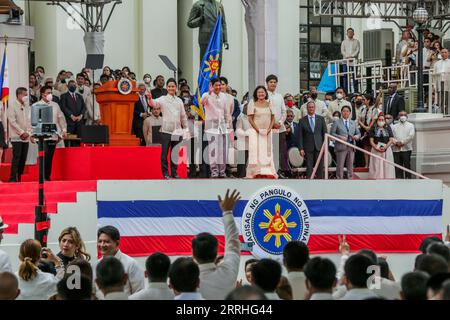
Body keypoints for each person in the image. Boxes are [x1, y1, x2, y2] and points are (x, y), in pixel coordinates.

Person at [192, 189, 241, 300]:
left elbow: (233, 244)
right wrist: (227, 212)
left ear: (193, 255)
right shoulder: (228, 272)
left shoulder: (187, 279)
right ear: (216, 253)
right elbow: (233, 243)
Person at [148, 78, 189, 179]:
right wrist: (149, 99)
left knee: (175, 154)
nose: (171, 88)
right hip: (166, 130)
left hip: (177, 131)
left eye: (173, 86)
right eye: (169, 86)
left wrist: (186, 129)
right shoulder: (162, 99)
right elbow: (153, 104)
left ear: (176, 88)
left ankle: (174, 173)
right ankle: (165, 173)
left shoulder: (179, 100)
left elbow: (183, 116)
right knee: (164, 154)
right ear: (167, 88)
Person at [96, 226, 145, 297]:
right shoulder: (95, 265)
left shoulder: (131, 264)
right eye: (100, 241)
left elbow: (139, 293)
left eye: (106, 241)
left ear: (117, 243)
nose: (102, 245)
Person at [34, 86, 67, 181]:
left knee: (49, 157)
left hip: (53, 135)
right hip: (41, 136)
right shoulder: (36, 105)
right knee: (44, 155)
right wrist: (31, 134)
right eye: (48, 92)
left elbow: (61, 118)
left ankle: (47, 176)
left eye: (51, 92)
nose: (50, 94)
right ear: (42, 94)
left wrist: (63, 130)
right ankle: (42, 177)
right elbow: (31, 121)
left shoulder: (55, 105)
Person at [202, 78, 232, 178]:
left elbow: (227, 112)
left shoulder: (224, 96)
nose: (218, 87)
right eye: (216, 85)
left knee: (223, 151)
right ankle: (214, 172)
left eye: (220, 85)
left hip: (223, 126)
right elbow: (202, 102)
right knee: (213, 151)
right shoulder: (206, 95)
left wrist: (229, 125)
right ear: (212, 85)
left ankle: (222, 172)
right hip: (211, 127)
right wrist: (209, 94)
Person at [187, 0, 228, 65]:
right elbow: (189, 23)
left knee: (217, 62)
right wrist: (200, 19)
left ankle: (217, 75)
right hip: (205, 39)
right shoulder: (198, 5)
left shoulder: (219, 5)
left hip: (218, 39)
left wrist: (225, 40)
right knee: (205, 63)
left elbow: (223, 23)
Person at [266, 75, 289, 178]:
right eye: (271, 82)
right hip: (269, 128)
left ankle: (279, 170)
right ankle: (270, 170)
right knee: (270, 151)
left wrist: (280, 122)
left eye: (275, 82)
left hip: (280, 128)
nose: (273, 84)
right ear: (267, 83)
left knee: (281, 151)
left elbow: (284, 111)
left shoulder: (279, 96)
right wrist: (273, 123)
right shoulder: (264, 96)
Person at [7, 88, 31, 183]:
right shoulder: (12, 106)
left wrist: (28, 133)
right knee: (17, 157)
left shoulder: (26, 106)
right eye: (25, 95)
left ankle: (20, 177)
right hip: (16, 136)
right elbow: (12, 122)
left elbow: (29, 121)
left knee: (23, 158)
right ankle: (12, 178)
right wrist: (21, 132)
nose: (26, 97)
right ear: (19, 95)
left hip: (26, 137)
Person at [331, 105, 361, 180]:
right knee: (340, 166)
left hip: (351, 146)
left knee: (350, 166)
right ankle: (339, 180)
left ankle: (350, 180)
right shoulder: (337, 122)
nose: (345, 113)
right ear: (341, 112)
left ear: (350, 113)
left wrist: (357, 136)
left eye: (347, 111)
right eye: (344, 111)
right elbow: (332, 133)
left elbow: (358, 133)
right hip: (341, 147)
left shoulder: (353, 123)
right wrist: (340, 137)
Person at [299, 101, 327, 179]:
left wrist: (326, 147)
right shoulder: (302, 121)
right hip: (308, 147)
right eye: (309, 107)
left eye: (312, 107)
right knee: (309, 167)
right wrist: (301, 148)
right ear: (307, 108)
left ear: (315, 108)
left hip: (319, 147)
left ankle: (320, 184)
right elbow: (300, 136)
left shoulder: (321, 119)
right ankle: (309, 184)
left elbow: (325, 134)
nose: (311, 108)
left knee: (320, 167)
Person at [369, 113, 395, 180]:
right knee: (376, 166)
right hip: (375, 150)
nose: (381, 121)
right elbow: (371, 140)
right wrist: (376, 147)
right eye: (380, 119)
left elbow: (391, 139)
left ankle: (388, 180)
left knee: (387, 166)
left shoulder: (388, 127)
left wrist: (385, 147)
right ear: (377, 120)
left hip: (386, 150)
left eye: (382, 120)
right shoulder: (373, 128)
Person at [392, 111, 415, 179]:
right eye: (401, 115)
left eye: (404, 115)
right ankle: (399, 179)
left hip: (407, 149)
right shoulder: (394, 126)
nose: (403, 116)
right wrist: (396, 142)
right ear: (398, 116)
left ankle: (408, 180)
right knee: (398, 166)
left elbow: (411, 136)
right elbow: (391, 137)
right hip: (396, 149)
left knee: (407, 165)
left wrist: (402, 142)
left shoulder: (411, 125)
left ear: (407, 116)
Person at [235, 103, 251, 178]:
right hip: (243, 141)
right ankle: (240, 176)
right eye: (245, 107)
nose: (246, 109)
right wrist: (246, 134)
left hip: (252, 142)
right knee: (242, 161)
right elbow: (238, 130)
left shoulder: (253, 118)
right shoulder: (240, 117)